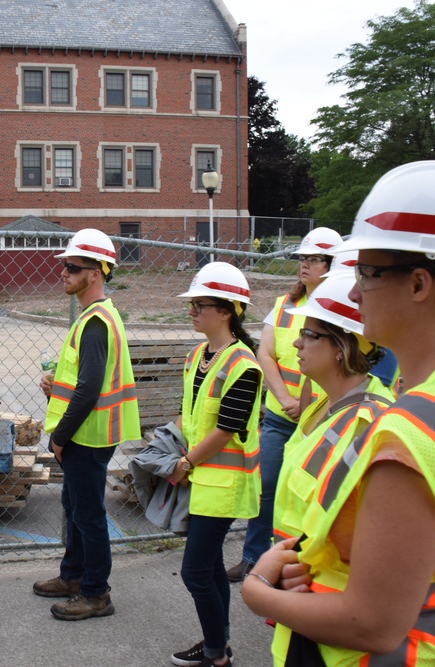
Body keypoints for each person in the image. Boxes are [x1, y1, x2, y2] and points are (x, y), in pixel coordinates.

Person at [241, 160, 435, 665]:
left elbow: (371, 625)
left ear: (418, 285)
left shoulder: (416, 431)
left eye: (366, 273)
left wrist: (259, 589)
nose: (350, 291)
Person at [33, 228, 141, 621]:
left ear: (95, 272)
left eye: (73, 267)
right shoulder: (93, 317)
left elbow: (91, 389)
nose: (63, 271)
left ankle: (96, 592)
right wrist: (53, 387)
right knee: (75, 507)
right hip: (86, 433)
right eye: (64, 265)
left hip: (87, 436)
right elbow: (81, 381)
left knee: (89, 514)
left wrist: (60, 437)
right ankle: (74, 575)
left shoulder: (96, 322)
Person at [227, 227, 340, 582]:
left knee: (311, 496)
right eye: (302, 259)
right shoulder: (285, 305)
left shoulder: (342, 310)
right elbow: (266, 353)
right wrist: (286, 399)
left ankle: (299, 566)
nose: (305, 265)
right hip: (281, 416)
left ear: (333, 264)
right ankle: (254, 559)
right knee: (268, 487)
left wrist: (307, 407)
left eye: (314, 259)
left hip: (322, 421)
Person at [167, 261, 263, 667]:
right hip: (203, 477)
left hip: (222, 484)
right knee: (207, 568)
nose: (191, 312)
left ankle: (216, 654)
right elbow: (191, 415)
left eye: (199, 305)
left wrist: (185, 463)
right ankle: (218, 646)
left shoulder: (244, 366)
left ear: (227, 311)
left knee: (195, 573)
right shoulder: (199, 355)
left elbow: (225, 430)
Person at [271, 271, 394, 549]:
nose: (296, 342)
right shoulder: (326, 404)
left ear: (343, 348)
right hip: (292, 568)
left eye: (309, 335)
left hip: (313, 578)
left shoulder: (366, 424)